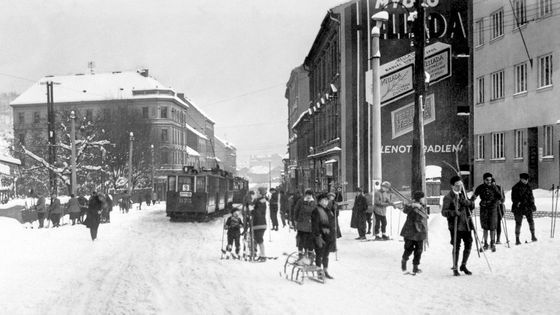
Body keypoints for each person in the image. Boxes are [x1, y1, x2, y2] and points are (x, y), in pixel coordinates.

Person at [442, 176, 475, 276]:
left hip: (466, 224)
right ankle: (455, 267)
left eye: (461, 185)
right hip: (455, 226)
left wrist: (468, 202)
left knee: (469, 243)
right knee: (456, 246)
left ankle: (463, 265)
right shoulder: (448, 197)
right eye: (457, 185)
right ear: (452, 186)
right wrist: (453, 213)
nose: (459, 187)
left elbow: (472, 205)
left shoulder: (463, 195)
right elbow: (444, 212)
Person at [471, 173, 503, 252]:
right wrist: (470, 202)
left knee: (492, 226)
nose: (489, 181)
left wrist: (495, 201)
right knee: (485, 227)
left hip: (492, 209)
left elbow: (500, 197)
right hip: (484, 209)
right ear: (484, 180)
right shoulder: (480, 187)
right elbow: (474, 196)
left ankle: (492, 243)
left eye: (490, 180)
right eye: (487, 180)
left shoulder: (494, 187)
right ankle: (485, 244)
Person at [400, 191, 429, 274]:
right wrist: (412, 205)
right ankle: (404, 261)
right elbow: (405, 210)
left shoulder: (423, 206)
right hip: (410, 230)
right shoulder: (411, 205)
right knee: (408, 249)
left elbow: (426, 216)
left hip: (419, 230)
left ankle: (415, 267)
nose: (424, 199)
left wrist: (421, 207)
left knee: (419, 250)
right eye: (423, 197)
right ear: (419, 198)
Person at [312, 193, 337, 279]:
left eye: (327, 200)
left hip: (329, 236)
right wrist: (318, 235)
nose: (326, 202)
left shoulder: (329, 210)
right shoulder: (316, 210)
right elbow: (315, 225)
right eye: (324, 200)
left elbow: (332, 222)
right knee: (319, 255)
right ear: (320, 201)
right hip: (320, 236)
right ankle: (319, 272)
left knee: (326, 255)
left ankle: (325, 270)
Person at [511, 173, 538, 245]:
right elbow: (513, 198)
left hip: (527, 207)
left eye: (527, 180)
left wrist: (533, 204)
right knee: (518, 223)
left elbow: (531, 197)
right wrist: (517, 203)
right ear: (521, 179)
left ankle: (533, 236)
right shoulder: (515, 187)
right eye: (525, 180)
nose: (526, 181)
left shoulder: (529, 187)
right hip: (518, 208)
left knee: (531, 221)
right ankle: (517, 239)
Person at [294, 189, 316, 262]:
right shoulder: (301, 201)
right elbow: (296, 210)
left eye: (310, 195)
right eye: (307, 195)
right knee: (302, 239)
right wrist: (295, 220)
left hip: (311, 224)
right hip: (302, 223)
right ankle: (300, 253)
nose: (308, 196)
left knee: (310, 240)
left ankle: (310, 253)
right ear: (305, 195)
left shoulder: (314, 202)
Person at [252, 188, 268, 262]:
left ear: (261, 193)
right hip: (258, 223)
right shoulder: (259, 201)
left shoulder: (260, 201)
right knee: (257, 239)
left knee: (259, 239)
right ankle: (259, 254)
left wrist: (252, 210)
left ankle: (263, 255)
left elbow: (258, 212)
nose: (256, 193)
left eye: (258, 192)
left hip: (259, 223)